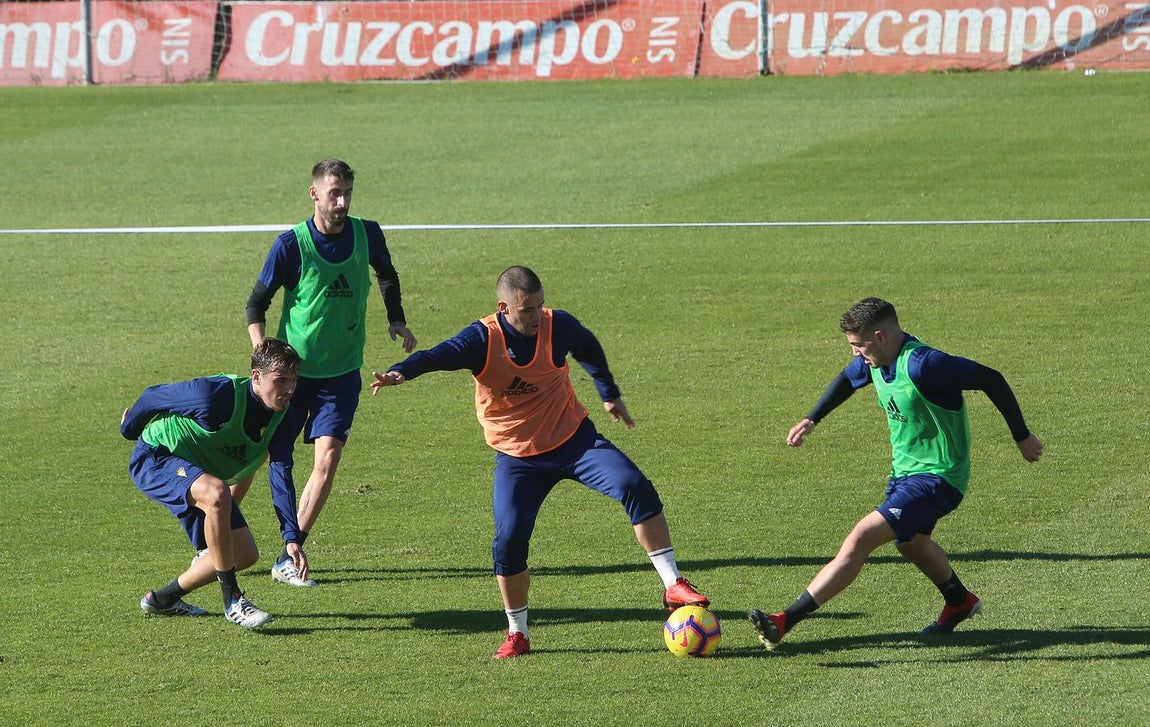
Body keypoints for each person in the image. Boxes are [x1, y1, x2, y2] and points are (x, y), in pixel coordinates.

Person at [372, 265, 710, 659]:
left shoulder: (557, 326)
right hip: (517, 460)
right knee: (509, 540)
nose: (536, 316)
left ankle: (672, 583)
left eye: (539, 306)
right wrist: (400, 373)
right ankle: (518, 633)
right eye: (526, 309)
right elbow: (435, 356)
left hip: (574, 441)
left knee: (633, 484)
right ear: (503, 307)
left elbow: (587, 347)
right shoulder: (481, 339)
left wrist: (608, 392)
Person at [748, 297, 1044, 650]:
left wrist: (1021, 435)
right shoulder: (875, 360)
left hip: (939, 478)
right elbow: (847, 379)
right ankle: (959, 601)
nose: (855, 353)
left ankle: (784, 620)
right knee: (912, 543)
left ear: (880, 336)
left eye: (858, 345)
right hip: (904, 475)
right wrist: (813, 417)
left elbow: (991, 379)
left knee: (860, 537)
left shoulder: (924, 365)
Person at [246, 158, 417, 587]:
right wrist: (261, 353)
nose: (341, 202)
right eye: (333, 193)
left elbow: (387, 274)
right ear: (314, 194)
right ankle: (217, 533)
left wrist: (396, 319)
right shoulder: (291, 245)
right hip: (291, 377)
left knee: (327, 459)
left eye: (347, 194)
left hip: (341, 374)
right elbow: (256, 304)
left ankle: (290, 552)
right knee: (260, 457)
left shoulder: (367, 233)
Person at [122, 338, 304, 630]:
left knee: (244, 553)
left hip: (200, 472)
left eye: (294, 381)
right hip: (156, 456)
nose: (289, 390)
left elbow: (281, 473)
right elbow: (154, 396)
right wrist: (128, 429)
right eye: (280, 380)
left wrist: (291, 537)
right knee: (217, 492)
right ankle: (233, 601)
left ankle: (162, 600)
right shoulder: (217, 396)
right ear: (256, 377)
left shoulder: (285, 418)